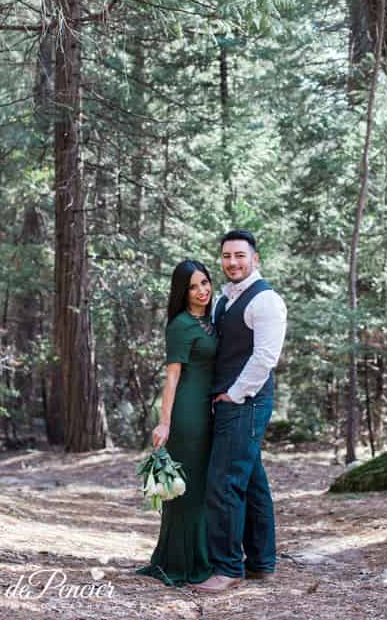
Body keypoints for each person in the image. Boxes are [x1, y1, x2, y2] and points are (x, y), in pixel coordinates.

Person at [190, 230, 287, 593]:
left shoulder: (266, 301)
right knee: (251, 481)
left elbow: (265, 357)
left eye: (240, 256)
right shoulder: (224, 300)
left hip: (246, 400)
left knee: (224, 483)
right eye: (227, 256)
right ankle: (262, 563)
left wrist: (235, 394)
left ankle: (228, 567)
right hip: (229, 399)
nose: (232, 262)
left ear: (255, 259)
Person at [137, 259, 217, 587]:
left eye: (205, 283)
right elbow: (172, 379)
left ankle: (200, 554)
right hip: (187, 416)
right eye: (193, 286)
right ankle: (183, 561)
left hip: (209, 413)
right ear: (182, 293)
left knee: (203, 487)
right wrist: (164, 422)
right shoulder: (180, 326)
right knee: (189, 490)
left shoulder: (211, 321)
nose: (202, 291)